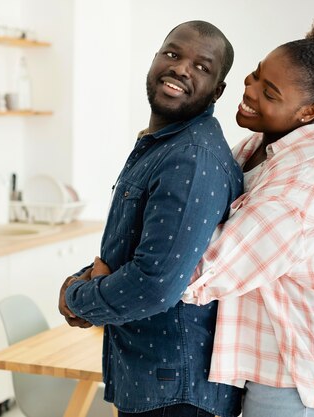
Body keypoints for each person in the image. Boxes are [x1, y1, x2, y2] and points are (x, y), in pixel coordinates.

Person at [179, 13, 314, 417]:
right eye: (255, 76)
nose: (249, 90)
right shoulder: (255, 146)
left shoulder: (308, 172)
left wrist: (128, 284)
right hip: (271, 365)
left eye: (269, 93)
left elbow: (219, 263)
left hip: (303, 376)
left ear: (308, 112)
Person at [58, 21, 244, 417]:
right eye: (173, 54)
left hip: (177, 393)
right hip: (154, 381)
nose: (181, 69)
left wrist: (77, 298)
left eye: (201, 67)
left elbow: (155, 284)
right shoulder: (165, 146)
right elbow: (140, 250)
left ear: (218, 90)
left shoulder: (191, 159)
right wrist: (82, 280)